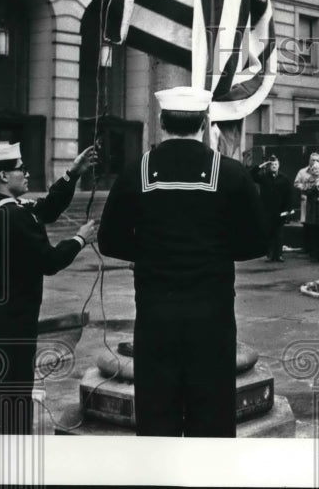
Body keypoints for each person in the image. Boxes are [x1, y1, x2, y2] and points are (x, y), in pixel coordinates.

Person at [97, 86, 266, 437]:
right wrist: (217, 250)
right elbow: (257, 242)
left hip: (156, 314)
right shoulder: (232, 172)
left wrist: (147, 251)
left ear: (161, 122)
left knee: (158, 414)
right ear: (205, 122)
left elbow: (109, 240)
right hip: (213, 316)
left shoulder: (136, 171)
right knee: (213, 414)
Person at [0, 142, 98, 434]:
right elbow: (49, 261)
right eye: (21, 168)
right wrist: (79, 239)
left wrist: (72, 174)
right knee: (12, 400)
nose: (27, 173)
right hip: (14, 323)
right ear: (4, 175)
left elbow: (44, 209)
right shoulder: (13, 216)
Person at [251, 155, 293, 262]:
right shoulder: (264, 176)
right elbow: (251, 175)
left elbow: (289, 195)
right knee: (269, 232)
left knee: (279, 233)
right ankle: (270, 255)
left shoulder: (285, 178)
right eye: (272, 164)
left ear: (279, 165)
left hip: (280, 210)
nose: (274, 166)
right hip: (266, 209)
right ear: (269, 166)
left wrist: (287, 209)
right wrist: (261, 165)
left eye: (276, 164)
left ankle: (278, 255)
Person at [293, 152, 319, 255]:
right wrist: (304, 188)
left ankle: (318, 251)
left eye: (317, 160)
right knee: (307, 225)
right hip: (307, 201)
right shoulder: (302, 172)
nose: (315, 162)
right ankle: (308, 248)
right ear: (309, 160)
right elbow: (297, 183)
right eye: (313, 160)